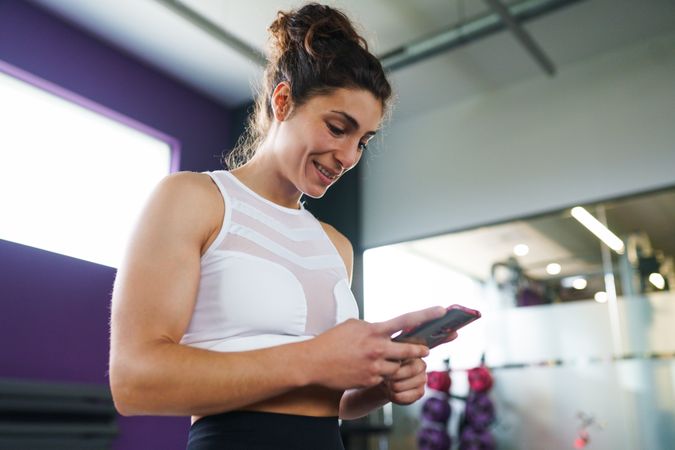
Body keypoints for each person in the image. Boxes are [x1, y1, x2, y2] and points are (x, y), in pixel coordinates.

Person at [109, 3, 455, 449]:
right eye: (337, 128)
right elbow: (134, 382)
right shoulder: (194, 199)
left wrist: (378, 385)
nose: (349, 157)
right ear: (283, 101)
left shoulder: (336, 246)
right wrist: (313, 359)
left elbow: (329, 396)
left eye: (362, 141)